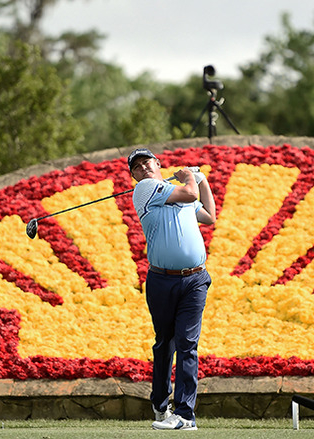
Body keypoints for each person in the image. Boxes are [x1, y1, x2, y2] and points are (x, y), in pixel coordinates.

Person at [128, 148, 216, 431]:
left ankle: (185, 415)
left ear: (158, 163)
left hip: (195, 280)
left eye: (147, 163)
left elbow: (209, 216)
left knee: (188, 344)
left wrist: (201, 180)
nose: (143, 168)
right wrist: (191, 176)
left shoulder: (173, 189)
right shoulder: (145, 190)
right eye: (137, 167)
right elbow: (190, 194)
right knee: (165, 343)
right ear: (134, 176)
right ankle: (160, 401)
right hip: (161, 280)